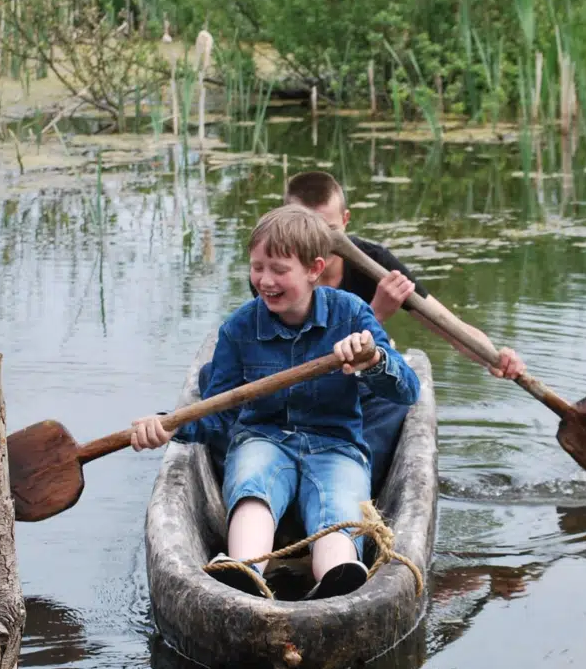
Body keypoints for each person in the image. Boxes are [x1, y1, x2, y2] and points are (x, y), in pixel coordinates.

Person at [130, 204, 421, 600]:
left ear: (314, 269)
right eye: (257, 267)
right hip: (263, 439)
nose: (264, 281)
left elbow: (406, 391)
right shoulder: (238, 330)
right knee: (254, 483)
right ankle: (244, 571)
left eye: (279, 270)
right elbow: (218, 414)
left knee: (340, 501)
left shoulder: (351, 314)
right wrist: (169, 426)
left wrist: (372, 360)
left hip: (336, 444)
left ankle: (337, 578)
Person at [201, 170, 529, 492]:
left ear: (345, 221)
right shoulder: (275, 269)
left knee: (398, 402)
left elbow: (444, 322)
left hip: (354, 385)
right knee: (210, 378)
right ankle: (250, 475)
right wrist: (378, 311)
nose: (317, 240)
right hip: (289, 379)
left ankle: (357, 483)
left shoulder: (375, 263)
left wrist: (493, 358)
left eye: (327, 229)